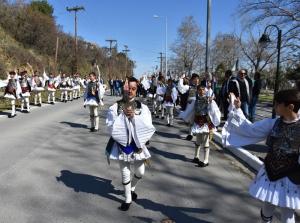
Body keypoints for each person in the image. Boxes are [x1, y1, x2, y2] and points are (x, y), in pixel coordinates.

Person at [222, 89, 300, 223]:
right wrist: (238, 109)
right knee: (267, 206)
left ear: (290, 107)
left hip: (291, 176)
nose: (274, 107)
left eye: (277, 104)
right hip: (271, 172)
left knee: (288, 212)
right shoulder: (273, 123)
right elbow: (250, 129)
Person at [105, 77, 155, 211]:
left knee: (140, 171)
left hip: (137, 145)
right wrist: (123, 116)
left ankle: (131, 187)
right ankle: (127, 199)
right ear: (124, 89)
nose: (130, 91)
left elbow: (148, 126)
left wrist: (134, 117)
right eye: (128, 89)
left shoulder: (142, 108)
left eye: (133, 89)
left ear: (136, 89)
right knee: (125, 172)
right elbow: (110, 127)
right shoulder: (115, 107)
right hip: (122, 145)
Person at [191, 84, 221, 167]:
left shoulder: (208, 99)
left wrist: (211, 101)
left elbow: (213, 110)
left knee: (205, 141)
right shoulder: (196, 99)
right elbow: (192, 110)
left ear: (205, 90)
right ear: (197, 90)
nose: (201, 91)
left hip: (205, 122)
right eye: (200, 89)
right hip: (197, 121)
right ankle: (196, 157)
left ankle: (205, 160)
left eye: (203, 89)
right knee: (198, 140)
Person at [178, 73, 200, 141]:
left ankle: (198, 133)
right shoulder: (189, 87)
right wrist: (181, 79)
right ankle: (190, 134)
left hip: (200, 107)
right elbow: (181, 88)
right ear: (192, 80)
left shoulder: (201, 88)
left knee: (199, 120)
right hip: (191, 106)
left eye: (197, 79)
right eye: (195, 79)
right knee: (191, 121)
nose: (196, 81)